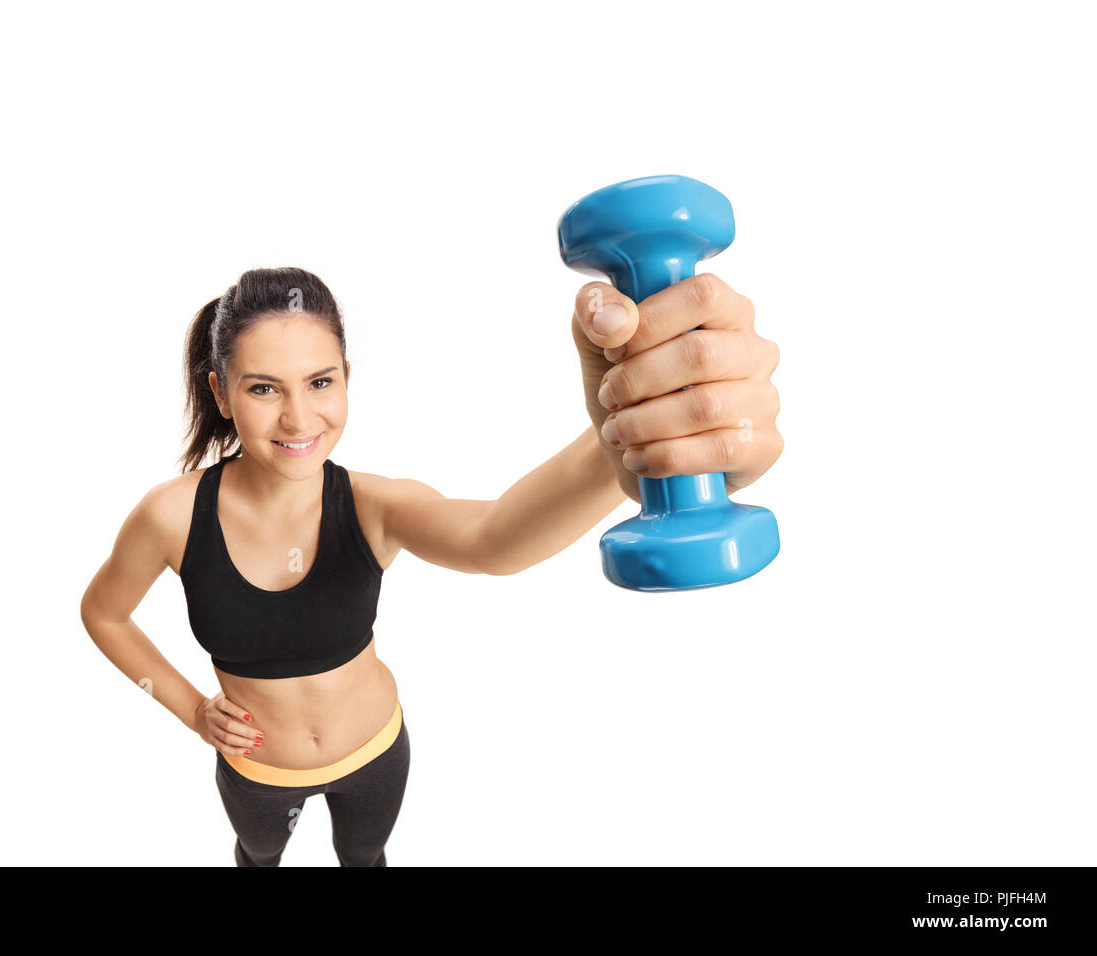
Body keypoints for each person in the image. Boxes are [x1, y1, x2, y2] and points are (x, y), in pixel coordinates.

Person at [79, 266, 783, 866]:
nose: (298, 419)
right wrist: (193, 712)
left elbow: (493, 539)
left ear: (346, 380)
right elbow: (103, 612)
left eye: (320, 382)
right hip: (257, 771)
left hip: (376, 753)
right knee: (259, 859)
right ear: (220, 393)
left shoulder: (372, 505)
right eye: (263, 389)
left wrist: (626, 434)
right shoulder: (171, 515)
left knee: (366, 859)